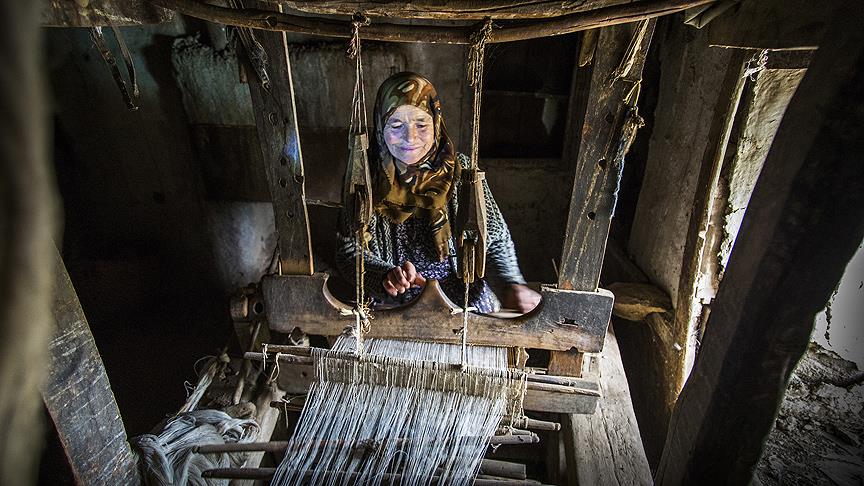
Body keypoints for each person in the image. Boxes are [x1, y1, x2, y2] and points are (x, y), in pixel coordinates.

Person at [336, 72, 540, 314]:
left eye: (421, 125)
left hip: (458, 298)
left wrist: (512, 283)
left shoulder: (461, 171)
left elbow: (495, 236)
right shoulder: (365, 178)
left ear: (436, 122)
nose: (410, 137)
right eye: (396, 125)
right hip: (393, 300)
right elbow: (349, 249)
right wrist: (385, 275)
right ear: (380, 126)